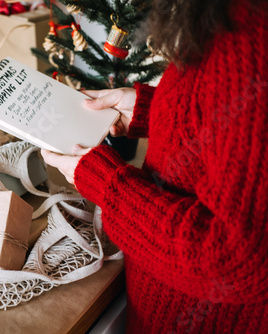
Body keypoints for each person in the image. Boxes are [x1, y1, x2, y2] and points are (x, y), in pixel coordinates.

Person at [41, 0, 268, 333]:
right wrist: (150, 110)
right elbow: (220, 119)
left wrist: (106, 182)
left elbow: (236, 261)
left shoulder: (249, 41)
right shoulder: (232, 16)